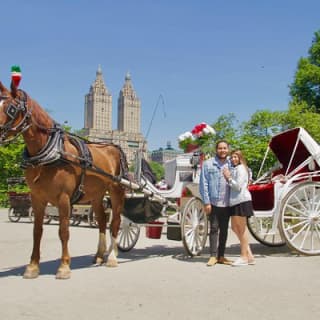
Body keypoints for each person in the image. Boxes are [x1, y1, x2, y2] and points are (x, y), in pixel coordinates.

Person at [199, 140, 233, 266]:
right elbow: (204, 184)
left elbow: (245, 171)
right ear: (216, 149)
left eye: (225, 148)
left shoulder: (232, 163)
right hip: (213, 202)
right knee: (214, 228)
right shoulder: (208, 164)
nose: (222, 150)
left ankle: (221, 256)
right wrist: (206, 202)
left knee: (224, 230)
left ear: (228, 149)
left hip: (228, 202)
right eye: (220, 148)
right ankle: (213, 256)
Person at [223, 150, 255, 266]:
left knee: (242, 228)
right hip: (235, 201)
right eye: (232, 157)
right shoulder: (236, 168)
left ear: (240, 158)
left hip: (241, 200)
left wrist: (228, 178)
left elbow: (238, 186)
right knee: (234, 228)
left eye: (235, 157)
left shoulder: (241, 168)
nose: (233, 159)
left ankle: (244, 257)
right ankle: (249, 254)